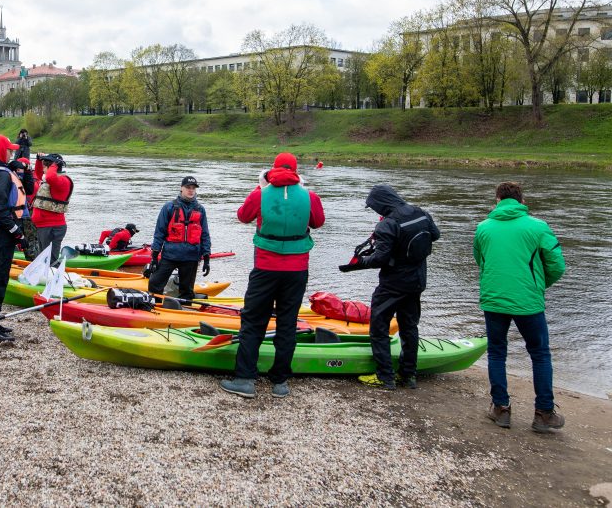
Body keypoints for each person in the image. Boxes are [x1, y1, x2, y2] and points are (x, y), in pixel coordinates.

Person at [219, 153, 325, 399]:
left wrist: (260, 187)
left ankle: (245, 379)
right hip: (297, 271)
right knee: (288, 323)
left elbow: (243, 216)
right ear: (297, 171)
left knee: (254, 321)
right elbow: (318, 222)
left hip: (265, 269)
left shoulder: (261, 193)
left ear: (272, 169)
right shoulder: (310, 196)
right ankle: (280, 382)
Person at [473, 181, 566, 433]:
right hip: (528, 301)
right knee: (540, 354)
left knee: (496, 352)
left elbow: (481, 261)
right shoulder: (538, 227)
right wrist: (538, 284)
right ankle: (544, 413)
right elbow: (557, 265)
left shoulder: (483, 228)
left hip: (494, 299)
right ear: (521, 201)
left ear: (497, 200)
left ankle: (501, 408)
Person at [338, 184, 440, 390]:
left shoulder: (388, 224)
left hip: (393, 284)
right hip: (417, 281)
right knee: (409, 327)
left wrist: (359, 263)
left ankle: (385, 376)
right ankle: (408, 375)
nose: (375, 211)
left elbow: (380, 259)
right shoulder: (421, 213)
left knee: (379, 327)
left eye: (374, 207)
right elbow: (435, 235)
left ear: (381, 204)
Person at [0, 134, 33, 341]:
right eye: (9, 149)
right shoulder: (0, 174)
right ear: (0, 151)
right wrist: (16, 232)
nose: (12, 152)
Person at [148, 176, 211, 300]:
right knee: (154, 283)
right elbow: (159, 232)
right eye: (188, 187)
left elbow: (205, 235)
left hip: (191, 256)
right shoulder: (169, 207)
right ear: (181, 188)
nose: (191, 190)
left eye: (193, 188)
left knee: (187, 291)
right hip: (170, 254)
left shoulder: (200, 209)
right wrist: (155, 256)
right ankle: (156, 308)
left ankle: (185, 312)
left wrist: (207, 257)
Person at [32, 152, 74, 263]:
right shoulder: (52, 179)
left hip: (52, 227)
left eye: (45, 166)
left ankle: (52, 275)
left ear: (52, 167)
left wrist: (54, 164)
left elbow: (50, 177)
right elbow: (38, 174)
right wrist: (38, 160)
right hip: (44, 226)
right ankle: (45, 276)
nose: (43, 169)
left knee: (50, 260)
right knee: (43, 257)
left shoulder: (63, 181)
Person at [8, 157, 39, 260]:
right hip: (19, 214)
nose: (20, 170)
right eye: (19, 168)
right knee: (26, 237)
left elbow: (29, 189)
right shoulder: (12, 177)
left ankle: (32, 257)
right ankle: (29, 256)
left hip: (27, 213)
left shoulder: (29, 177)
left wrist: (27, 172)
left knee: (31, 238)